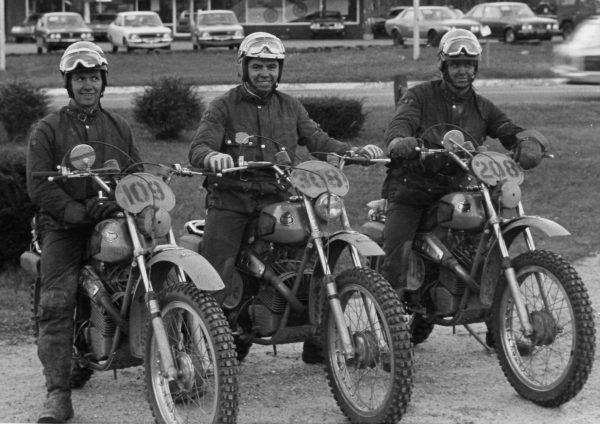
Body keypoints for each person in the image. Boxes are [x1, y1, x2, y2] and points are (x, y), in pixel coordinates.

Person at [188, 32, 384, 363]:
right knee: (216, 273)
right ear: (244, 67)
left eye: (271, 67)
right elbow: (198, 147)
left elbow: (317, 139)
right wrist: (211, 157)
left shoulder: (290, 106)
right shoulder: (222, 106)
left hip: (277, 197)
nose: (265, 73)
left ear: (280, 70)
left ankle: (319, 335)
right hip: (232, 200)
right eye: (258, 66)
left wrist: (351, 151)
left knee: (312, 253)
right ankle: (201, 351)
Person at [26, 41, 142, 423]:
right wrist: (74, 210)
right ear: (68, 83)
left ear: (103, 81)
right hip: (64, 225)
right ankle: (57, 393)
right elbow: (38, 185)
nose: (87, 85)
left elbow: (134, 171)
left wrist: (134, 196)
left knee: (153, 268)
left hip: (113, 217)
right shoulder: (48, 128)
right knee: (56, 302)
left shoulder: (118, 126)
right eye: (79, 78)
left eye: (93, 77)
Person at [381, 29, 546, 297]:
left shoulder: (482, 106)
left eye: (468, 65)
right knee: (396, 256)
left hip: (458, 188)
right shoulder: (419, 96)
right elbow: (401, 123)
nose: (462, 71)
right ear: (443, 65)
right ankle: (391, 315)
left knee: (485, 236)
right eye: (456, 64)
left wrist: (526, 141)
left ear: (475, 68)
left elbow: (505, 127)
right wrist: (401, 140)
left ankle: (491, 313)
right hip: (412, 188)